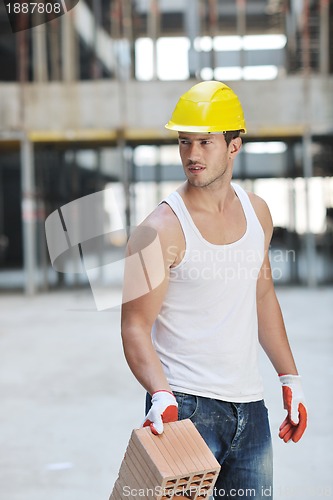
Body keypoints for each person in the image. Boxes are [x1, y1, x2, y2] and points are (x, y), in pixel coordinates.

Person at [120, 81, 307, 500]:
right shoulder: (158, 230)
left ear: (234, 145)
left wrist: (289, 376)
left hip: (251, 413)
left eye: (205, 142)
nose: (191, 154)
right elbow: (134, 326)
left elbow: (262, 297)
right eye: (184, 142)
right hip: (185, 411)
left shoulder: (258, 213)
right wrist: (161, 395)